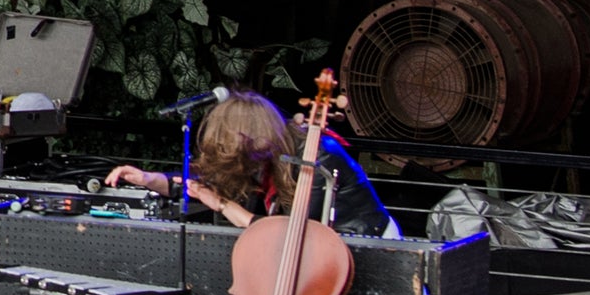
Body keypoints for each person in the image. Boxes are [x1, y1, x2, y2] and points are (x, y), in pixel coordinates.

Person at [107, 89, 397, 237]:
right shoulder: (266, 151)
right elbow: (202, 181)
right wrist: (148, 179)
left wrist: (221, 204)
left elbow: (286, 234)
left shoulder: (316, 158)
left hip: (366, 246)